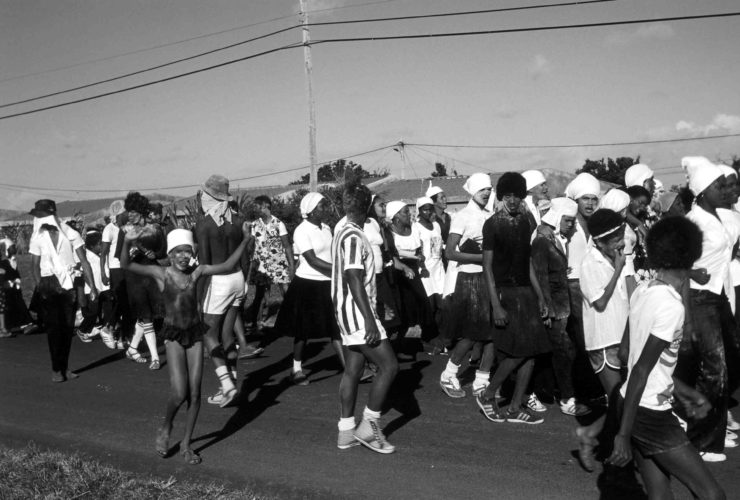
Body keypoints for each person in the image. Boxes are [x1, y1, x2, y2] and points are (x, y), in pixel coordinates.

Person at [607, 216, 725, 500]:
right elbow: (640, 370)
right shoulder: (672, 307)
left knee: (659, 494)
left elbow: (625, 354)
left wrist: (682, 392)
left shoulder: (642, 291)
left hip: (630, 403)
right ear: (691, 254)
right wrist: (622, 436)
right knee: (712, 495)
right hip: (648, 412)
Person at [121, 223, 252, 465]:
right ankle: (166, 426)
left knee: (195, 393)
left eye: (188, 251)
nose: (183, 256)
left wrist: (245, 240)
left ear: (193, 252)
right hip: (173, 336)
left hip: (194, 335)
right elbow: (126, 265)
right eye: (178, 251)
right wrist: (128, 241)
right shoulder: (162, 274)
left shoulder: (198, 272)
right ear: (169, 254)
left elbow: (226, 266)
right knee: (179, 393)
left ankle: (186, 444)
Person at [476, 172, 551, 424]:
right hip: (504, 293)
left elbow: (527, 261)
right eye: (507, 195)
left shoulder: (527, 221)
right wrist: (495, 305)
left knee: (532, 352)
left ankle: (515, 407)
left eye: (516, 196)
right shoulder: (492, 224)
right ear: (500, 197)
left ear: (522, 197)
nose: (511, 200)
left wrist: (540, 295)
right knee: (517, 352)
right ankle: (487, 395)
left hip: (525, 292)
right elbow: (487, 267)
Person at [676, 157, 736, 462]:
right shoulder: (694, 221)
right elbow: (671, 263)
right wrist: (690, 274)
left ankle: (698, 418)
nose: (725, 190)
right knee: (715, 369)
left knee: (730, 360)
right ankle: (702, 440)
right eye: (718, 186)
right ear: (702, 192)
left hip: (718, 297)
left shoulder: (722, 216)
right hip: (699, 300)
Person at [333, 184, 399, 454]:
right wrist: (370, 320)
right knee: (390, 366)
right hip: (358, 315)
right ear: (367, 206)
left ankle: (345, 432)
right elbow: (353, 278)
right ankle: (368, 428)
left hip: (348, 313)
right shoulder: (352, 236)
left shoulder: (346, 232)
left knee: (353, 369)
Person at [575, 209, 630, 471]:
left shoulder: (615, 257)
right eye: (614, 239)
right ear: (599, 242)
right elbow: (599, 303)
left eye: (621, 235)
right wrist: (618, 270)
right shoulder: (590, 264)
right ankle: (589, 436)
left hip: (621, 336)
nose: (621, 242)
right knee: (620, 402)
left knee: (625, 400)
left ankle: (601, 441)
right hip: (602, 341)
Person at [194, 175, 250, 407]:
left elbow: (205, 263)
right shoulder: (238, 220)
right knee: (228, 335)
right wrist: (244, 283)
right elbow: (245, 257)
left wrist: (197, 297)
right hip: (238, 278)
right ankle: (231, 384)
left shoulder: (204, 224)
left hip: (219, 280)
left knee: (208, 333)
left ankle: (226, 384)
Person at [275, 192, 343, 385]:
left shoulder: (327, 228)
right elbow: (312, 260)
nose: (326, 209)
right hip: (307, 284)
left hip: (328, 282)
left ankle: (349, 367)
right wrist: (342, 270)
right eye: (322, 206)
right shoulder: (301, 230)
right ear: (311, 211)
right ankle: (296, 369)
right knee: (303, 330)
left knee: (335, 326)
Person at [532, 197, 590, 417]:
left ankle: (558, 392)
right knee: (561, 351)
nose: (571, 225)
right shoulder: (541, 240)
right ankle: (565, 398)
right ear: (556, 218)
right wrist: (544, 306)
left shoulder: (557, 239)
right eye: (567, 220)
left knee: (564, 350)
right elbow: (538, 275)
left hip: (561, 304)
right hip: (551, 307)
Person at [29, 199, 98, 382]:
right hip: (48, 283)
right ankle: (56, 369)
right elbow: (34, 265)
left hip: (69, 284)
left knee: (67, 328)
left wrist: (92, 287)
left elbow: (84, 261)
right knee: (53, 328)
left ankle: (65, 367)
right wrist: (40, 287)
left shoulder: (71, 234)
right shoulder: (37, 237)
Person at [438, 173, 494, 399]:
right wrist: (483, 258)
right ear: (473, 191)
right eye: (482, 189)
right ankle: (448, 374)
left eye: (489, 189)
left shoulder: (490, 215)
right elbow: (450, 252)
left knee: (492, 334)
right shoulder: (462, 216)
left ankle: (482, 379)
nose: (487, 193)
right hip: (470, 280)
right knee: (472, 334)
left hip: (489, 277)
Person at [121, 192, 164, 370]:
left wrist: (155, 255)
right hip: (134, 275)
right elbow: (119, 256)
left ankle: (132, 348)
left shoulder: (154, 229)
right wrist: (131, 251)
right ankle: (155, 357)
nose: (130, 214)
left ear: (142, 211)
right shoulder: (125, 231)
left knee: (151, 314)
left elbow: (163, 251)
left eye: (133, 211)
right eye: (128, 211)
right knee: (146, 315)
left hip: (151, 273)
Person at [386, 200, 435, 352]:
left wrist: (419, 256)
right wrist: (412, 257)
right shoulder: (388, 232)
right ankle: (398, 343)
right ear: (396, 217)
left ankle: (419, 340)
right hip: (399, 271)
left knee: (421, 303)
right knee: (403, 307)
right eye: (405, 212)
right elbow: (394, 253)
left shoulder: (413, 228)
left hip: (413, 271)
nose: (409, 214)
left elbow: (418, 248)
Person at [246, 195, 295, 330]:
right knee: (260, 295)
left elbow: (287, 246)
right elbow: (250, 245)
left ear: (265, 206)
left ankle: (291, 320)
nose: (255, 209)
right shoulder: (255, 225)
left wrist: (291, 266)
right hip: (261, 265)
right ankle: (257, 323)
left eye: (257, 206)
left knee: (286, 291)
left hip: (278, 263)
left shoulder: (279, 224)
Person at [412, 197, 445, 327]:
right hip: (426, 270)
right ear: (419, 211)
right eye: (424, 210)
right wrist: (422, 266)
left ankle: (442, 334)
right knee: (430, 305)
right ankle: (429, 334)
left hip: (439, 269)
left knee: (443, 304)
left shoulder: (436, 225)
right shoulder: (416, 227)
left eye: (430, 209)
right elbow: (417, 250)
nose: (428, 212)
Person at [76, 231, 113, 343]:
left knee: (108, 308)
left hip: (102, 288)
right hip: (91, 290)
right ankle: (82, 330)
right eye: (99, 245)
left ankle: (104, 328)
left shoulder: (99, 256)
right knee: (93, 312)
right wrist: (92, 288)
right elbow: (84, 274)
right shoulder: (87, 257)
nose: (102, 247)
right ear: (92, 246)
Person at [101, 211, 128, 349]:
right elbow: (103, 253)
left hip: (127, 267)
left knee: (127, 303)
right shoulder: (109, 229)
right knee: (121, 300)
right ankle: (109, 327)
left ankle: (122, 337)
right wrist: (103, 273)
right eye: (125, 212)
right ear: (118, 215)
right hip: (115, 268)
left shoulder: (126, 227)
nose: (128, 215)